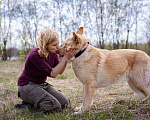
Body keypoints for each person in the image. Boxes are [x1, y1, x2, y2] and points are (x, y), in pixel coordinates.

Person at [16, 28, 77, 113]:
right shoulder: (35, 54)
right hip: (26, 86)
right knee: (55, 107)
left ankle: (33, 102)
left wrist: (66, 58)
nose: (58, 47)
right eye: (54, 45)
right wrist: (65, 58)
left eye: (58, 43)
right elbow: (53, 74)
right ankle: (29, 104)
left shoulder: (53, 52)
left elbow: (60, 71)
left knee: (64, 103)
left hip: (41, 85)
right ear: (45, 45)